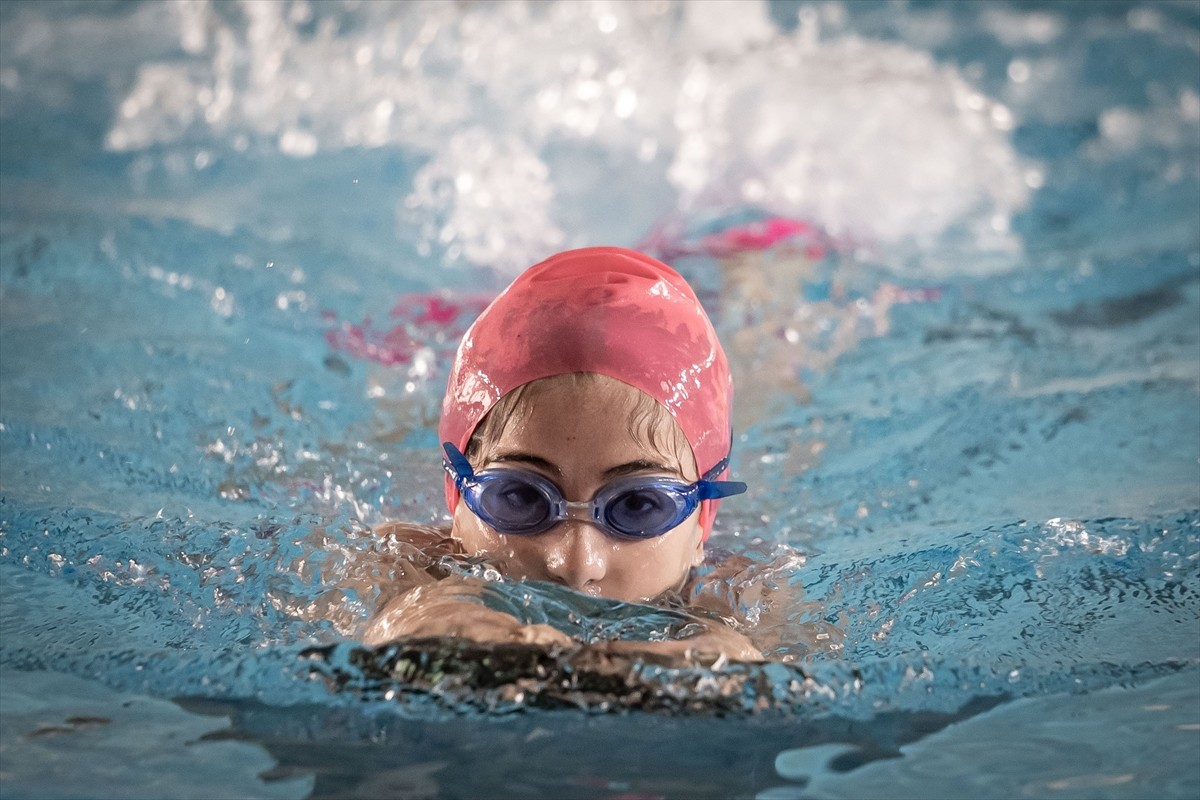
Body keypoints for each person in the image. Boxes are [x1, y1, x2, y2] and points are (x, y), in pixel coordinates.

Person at [360, 247, 768, 661]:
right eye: (520, 497)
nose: (575, 565)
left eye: (638, 505)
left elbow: (740, 662)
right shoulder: (407, 560)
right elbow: (406, 626)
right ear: (457, 496)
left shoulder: (735, 592)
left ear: (702, 520)